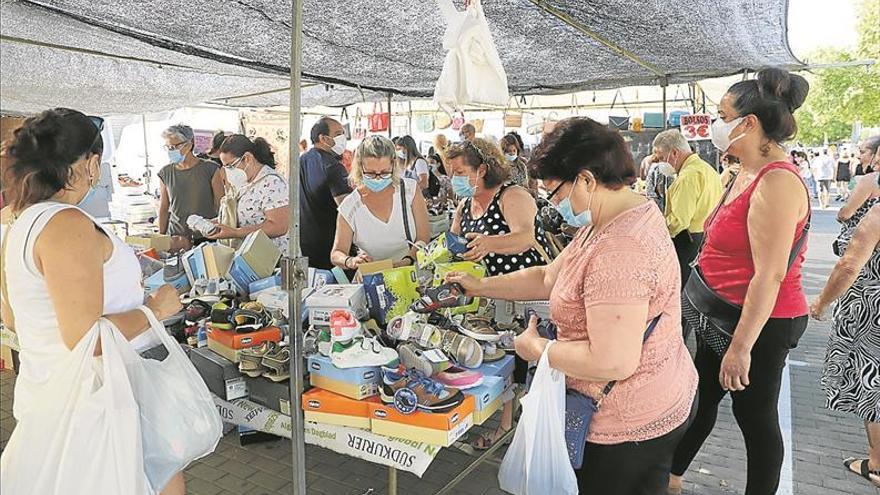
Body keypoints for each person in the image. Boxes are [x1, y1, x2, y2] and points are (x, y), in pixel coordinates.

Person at [449, 117, 697, 493]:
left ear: (585, 179)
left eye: (557, 193)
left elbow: (613, 361)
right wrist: (479, 286)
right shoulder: (614, 216)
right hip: (656, 390)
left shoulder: (620, 248)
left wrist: (539, 350)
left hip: (629, 423)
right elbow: (548, 277)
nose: (556, 204)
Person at [0, 108, 185, 494]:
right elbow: (87, 340)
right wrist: (155, 310)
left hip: (55, 399)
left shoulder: (18, 223)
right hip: (93, 406)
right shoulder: (66, 224)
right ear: (91, 162)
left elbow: (15, 319)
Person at [670, 68, 811, 495]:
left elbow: (769, 275)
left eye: (721, 114)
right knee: (704, 397)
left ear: (748, 123)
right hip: (723, 315)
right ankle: (671, 478)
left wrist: (741, 348)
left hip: (759, 325)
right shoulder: (743, 171)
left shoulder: (778, 182)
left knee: (756, 418)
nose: (714, 123)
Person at [444, 138, 553, 450]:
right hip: (495, 293)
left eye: (460, 171)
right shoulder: (464, 205)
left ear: (482, 168)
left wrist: (488, 243)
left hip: (532, 292)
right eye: (451, 172)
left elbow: (524, 237)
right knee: (506, 356)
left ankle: (533, 434)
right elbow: (453, 241)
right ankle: (507, 426)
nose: (455, 178)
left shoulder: (512, 194)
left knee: (533, 363)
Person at [811, 199, 880, 488]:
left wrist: (821, 302)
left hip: (872, 312)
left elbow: (849, 264)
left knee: (872, 384)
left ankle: (877, 462)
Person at [330, 136, 430, 270]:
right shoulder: (350, 206)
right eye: (370, 173)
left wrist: (407, 260)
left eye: (384, 172)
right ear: (360, 167)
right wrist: (350, 261)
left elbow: (423, 237)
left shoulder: (410, 190)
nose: (378, 178)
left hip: (411, 273)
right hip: (373, 279)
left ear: (393, 165)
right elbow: (336, 253)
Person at [653, 129, 722, 298]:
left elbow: (678, 221)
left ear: (674, 153)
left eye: (662, 157)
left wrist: (655, 234)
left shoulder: (688, 177)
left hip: (688, 242)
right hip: (705, 238)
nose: (661, 163)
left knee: (680, 294)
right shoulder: (707, 169)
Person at [206, 135, 290, 256]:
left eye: (230, 166)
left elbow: (279, 226)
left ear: (247, 158)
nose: (228, 171)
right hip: (247, 257)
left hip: (270, 260)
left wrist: (236, 233)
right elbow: (238, 215)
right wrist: (213, 223)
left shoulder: (272, 183)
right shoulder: (242, 183)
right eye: (225, 167)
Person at [299, 117, 352, 269]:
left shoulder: (301, 161)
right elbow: (347, 207)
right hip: (331, 243)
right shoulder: (332, 166)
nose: (343, 138)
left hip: (305, 242)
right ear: (323, 138)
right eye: (338, 133)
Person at [157, 124, 224, 244]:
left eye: (174, 147)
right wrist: (160, 238)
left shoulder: (211, 169)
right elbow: (164, 207)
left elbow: (221, 205)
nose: (170, 151)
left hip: (205, 237)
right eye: (167, 147)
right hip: (176, 237)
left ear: (189, 143)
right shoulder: (165, 173)